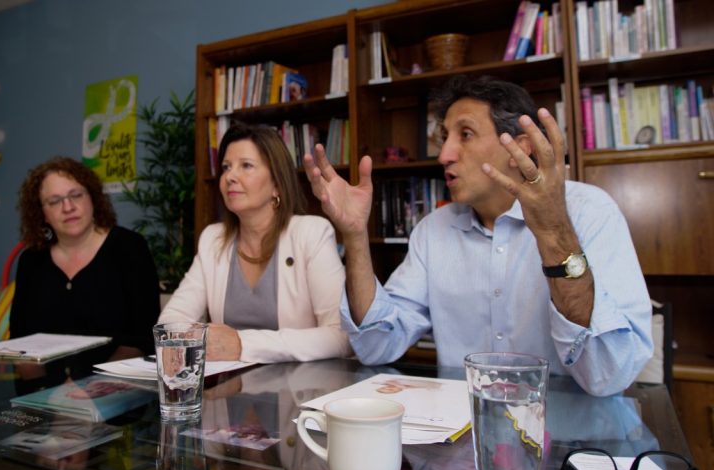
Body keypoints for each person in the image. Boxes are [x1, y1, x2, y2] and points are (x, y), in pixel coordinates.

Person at [303, 75, 652, 396]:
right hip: (462, 439)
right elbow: (377, 346)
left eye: (465, 135)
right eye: (444, 138)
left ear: (522, 147)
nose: (444, 155)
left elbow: (609, 374)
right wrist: (355, 236)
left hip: (570, 438)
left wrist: (552, 230)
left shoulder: (589, 211)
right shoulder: (433, 229)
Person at [158, 122, 351, 363]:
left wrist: (242, 345)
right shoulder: (213, 239)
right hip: (225, 391)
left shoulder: (311, 233)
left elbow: (341, 336)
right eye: (226, 167)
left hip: (299, 390)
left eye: (246, 166)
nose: (230, 177)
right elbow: (171, 321)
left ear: (277, 185)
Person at [10, 156, 160, 371]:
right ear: (42, 213)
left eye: (76, 195)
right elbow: (20, 342)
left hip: (117, 388)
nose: (68, 207)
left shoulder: (129, 248)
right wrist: (40, 394)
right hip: (44, 396)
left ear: (92, 198)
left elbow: (141, 338)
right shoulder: (31, 260)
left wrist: (97, 388)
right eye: (54, 201)